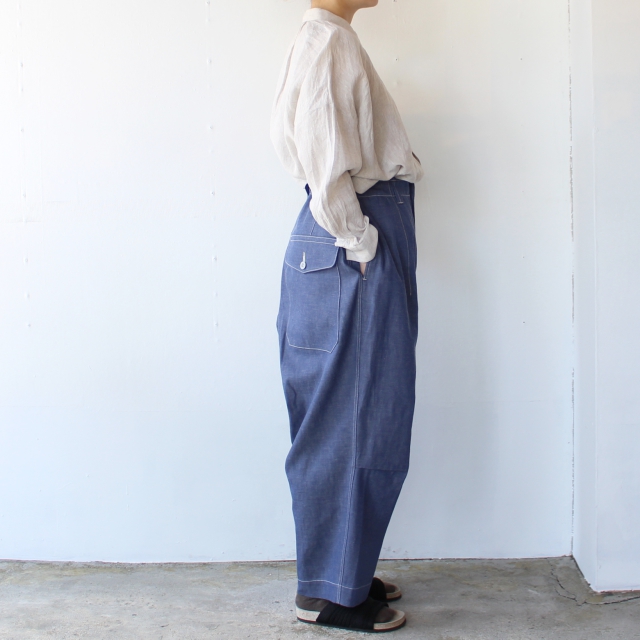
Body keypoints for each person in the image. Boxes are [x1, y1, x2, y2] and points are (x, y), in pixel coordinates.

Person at [270, 0, 423, 632]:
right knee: (356, 419)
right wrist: (361, 243)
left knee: (351, 416)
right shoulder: (328, 42)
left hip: (342, 243)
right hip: (350, 241)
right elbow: (324, 158)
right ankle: (332, 593)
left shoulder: (327, 39)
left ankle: (340, 571)